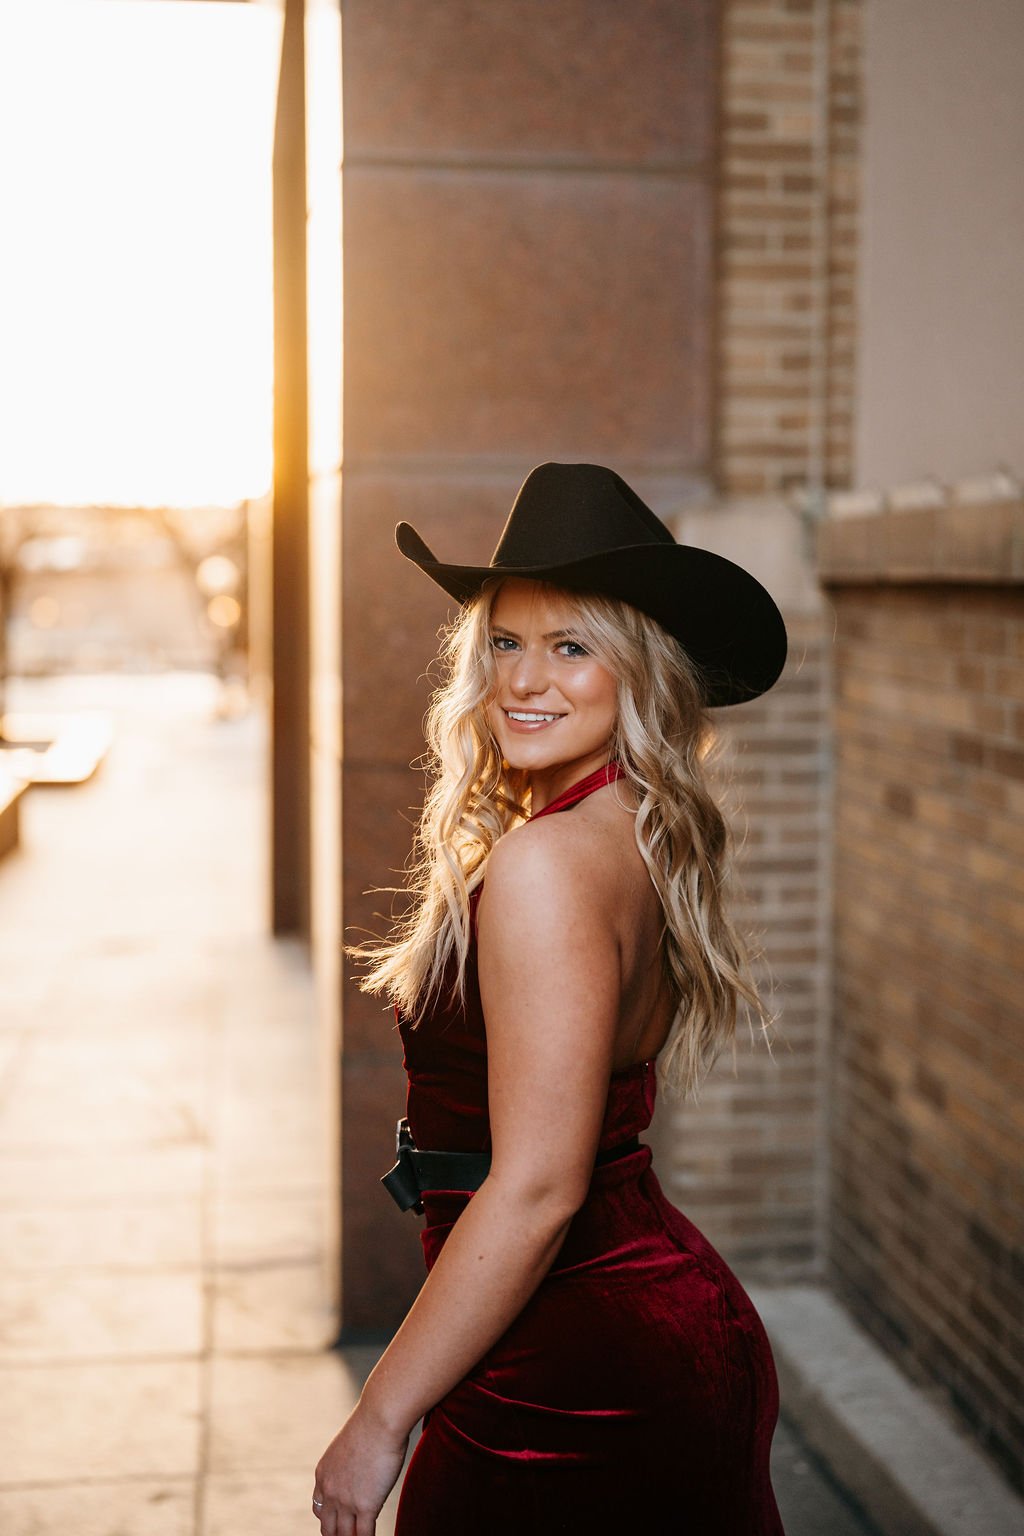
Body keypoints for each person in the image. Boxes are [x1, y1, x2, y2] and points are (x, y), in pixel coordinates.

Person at [310, 462, 790, 1535]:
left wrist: (379, 1420)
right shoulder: (626, 826)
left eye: (571, 646)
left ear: (639, 673)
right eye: (503, 644)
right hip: (620, 1330)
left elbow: (535, 1189)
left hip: (579, 1374)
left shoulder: (546, 864)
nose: (523, 680)